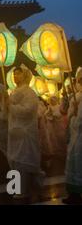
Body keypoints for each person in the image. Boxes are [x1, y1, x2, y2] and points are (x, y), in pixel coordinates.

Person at [7, 65, 44, 199]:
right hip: (14, 132)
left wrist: (10, 106)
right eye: (14, 74)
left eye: (19, 74)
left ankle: (22, 190)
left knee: (23, 161)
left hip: (25, 133)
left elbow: (28, 111)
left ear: (26, 76)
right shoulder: (13, 92)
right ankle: (16, 187)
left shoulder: (30, 93)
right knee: (14, 161)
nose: (15, 76)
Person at [63, 68, 82, 204]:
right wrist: (72, 112)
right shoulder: (77, 96)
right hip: (75, 137)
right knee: (73, 165)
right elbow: (67, 113)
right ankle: (73, 194)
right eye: (79, 79)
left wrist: (75, 116)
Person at [45, 96, 66, 160]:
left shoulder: (59, 106)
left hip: (60, 123)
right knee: (56, 137)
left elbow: (62, 113)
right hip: (55, 124)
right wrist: (51, 117)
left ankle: (63, 149)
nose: (52, 101)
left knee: (62, 136)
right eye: (51, 100)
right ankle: (59, 150)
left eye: (53, 100)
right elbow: (46, 114)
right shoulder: (50, 107)